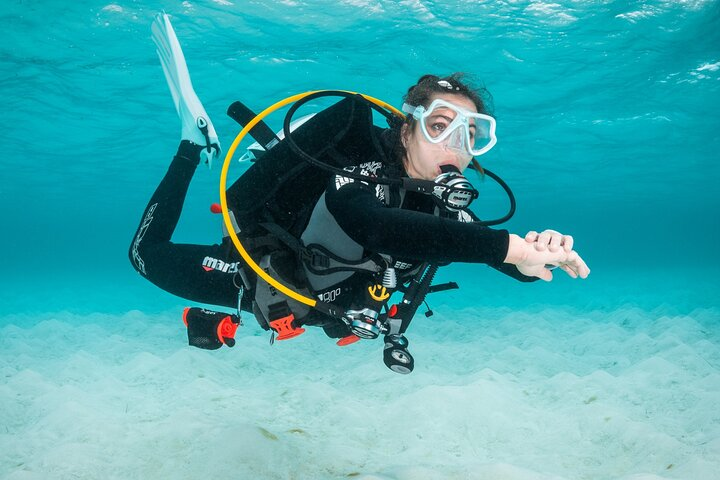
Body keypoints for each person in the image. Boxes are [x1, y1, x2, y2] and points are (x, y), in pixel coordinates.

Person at [130, 14, 589, 372]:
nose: (454, 146)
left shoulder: (449, 211)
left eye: (471, 136)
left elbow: (507, 262)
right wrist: (510, 247)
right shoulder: (360, 173)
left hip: (319, 305)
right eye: (439, 127)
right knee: (144, 256)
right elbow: (375, 225)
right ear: (407, 131)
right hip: (259, 277)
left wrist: (537, 253)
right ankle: (192, 144)